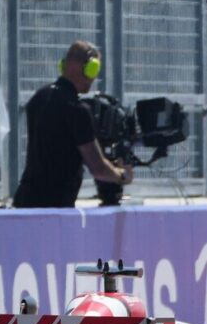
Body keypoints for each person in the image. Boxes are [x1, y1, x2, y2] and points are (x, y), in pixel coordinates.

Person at [13, 40, 131, 208]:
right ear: (85, 67)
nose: (94, 77)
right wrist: (122, 175)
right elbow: (98, 169)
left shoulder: (38, 98)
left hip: (25, 200)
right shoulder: (77, 110)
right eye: (94, 69)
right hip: (55, 207)